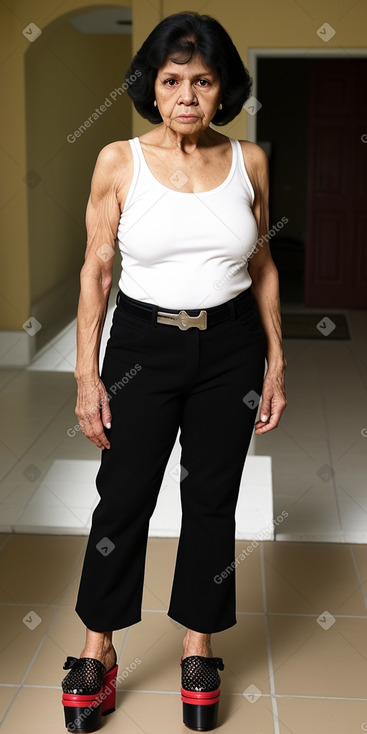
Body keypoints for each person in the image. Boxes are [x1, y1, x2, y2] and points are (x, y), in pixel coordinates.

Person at [61, 10, 287, 732]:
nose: (186, 94)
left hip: (229, 351)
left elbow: (261, 265)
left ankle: (198, 646)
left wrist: (276, 361)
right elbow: (97, 269)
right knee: (122, 499)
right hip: (140, 350)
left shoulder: (249, 161)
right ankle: (97, 650)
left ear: (223, 91)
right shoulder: (117, 160)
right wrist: (86, 375)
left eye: (202, 80)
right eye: (171, 80)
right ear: (151, 89)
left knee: (212, 499)